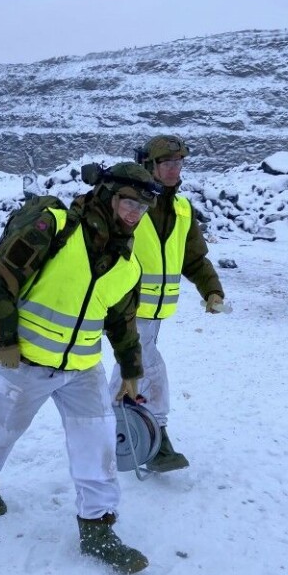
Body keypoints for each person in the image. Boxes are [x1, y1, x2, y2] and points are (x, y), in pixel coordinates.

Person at [0, 162, 159, 575]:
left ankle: (98, 527)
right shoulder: (53, 227)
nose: (133, 215)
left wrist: (130, 371)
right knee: (1, 429)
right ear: (107, 195)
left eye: (141, 208)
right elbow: (1, 279)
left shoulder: (128, 264)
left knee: (99, 444)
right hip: (25, 361)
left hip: (83, 369)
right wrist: (7, 341)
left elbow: (123, 320)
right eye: (128, 203)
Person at [109, 135, 226, 472]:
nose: (175, 170)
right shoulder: (131, 204)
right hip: (124, 306)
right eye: (168, 163)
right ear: (150, 165)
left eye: (179, 163)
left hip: (154, 312)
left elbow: (194, 258)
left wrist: (211, 290)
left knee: (129, 368)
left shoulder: (182, 209)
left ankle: (109, 430)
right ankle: (157, 436)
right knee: (149, 369)